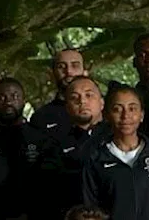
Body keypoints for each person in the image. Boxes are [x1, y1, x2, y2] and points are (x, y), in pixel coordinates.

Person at [81, 85, 149, 220]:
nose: (125, 116)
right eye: (117, 109)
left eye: (132, 109)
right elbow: (90, 208)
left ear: (141, 115)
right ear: (107, 115)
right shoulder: (96, 157)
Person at [0, 77, 62, 220]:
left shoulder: (42, 140)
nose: (8, 102)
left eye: (15, 96)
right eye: (2, 97)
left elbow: (51, 186)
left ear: (24, 100)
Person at [54, 76, 111, 213]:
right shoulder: (56, 145)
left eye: (89, 95)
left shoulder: (118, 137)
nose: (82, 101)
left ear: (102, 103)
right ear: (67, 107)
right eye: (75, 97)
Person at [30, 48, 86, 132]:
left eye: (75, 65)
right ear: (52, 73)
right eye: (61, 67)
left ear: (85, 72)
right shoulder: (42, 117)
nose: (69, 72)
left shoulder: (104, 110)